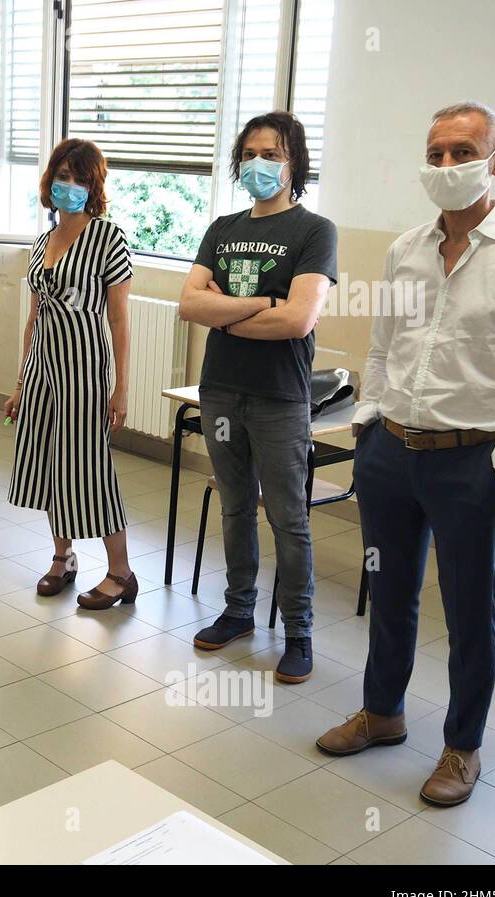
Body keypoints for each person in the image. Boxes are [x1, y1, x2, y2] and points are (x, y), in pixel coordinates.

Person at [316, 102, 495, 806]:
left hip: (471, 462)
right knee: (389, 593)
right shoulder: (406, 249)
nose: (447, 165)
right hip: (392, 450)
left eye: (463, 151)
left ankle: (462, 749)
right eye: (436, 153)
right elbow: (384, 343)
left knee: (467, 612)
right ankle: (384, 712)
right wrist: (368, 418)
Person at [178, 112, 337, 683]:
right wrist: (265, 306)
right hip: (220, 392)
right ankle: (239, 610)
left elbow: (299, 321)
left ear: (294, 162)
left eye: (271, 154)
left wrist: (232, 313)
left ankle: (298, 631)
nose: (258, 164)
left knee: (290, 520)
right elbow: (189, 304)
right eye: (249, 153)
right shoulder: (222, 227)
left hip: (279, 398)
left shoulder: (315, 231)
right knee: (235, 506)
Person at [5, 138, 135, 610]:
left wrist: (121, 388)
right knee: (48, 463)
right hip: (43, 368)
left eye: (80, 179)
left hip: (84, 370)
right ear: (50, 181)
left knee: (88, 469)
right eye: (63, 176)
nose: (69, 186)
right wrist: (21, 382)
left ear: (93, 186)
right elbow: (33, 317)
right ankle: (62, 558)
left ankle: (121, 572)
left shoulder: (108, 238)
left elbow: (119, 321)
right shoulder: (42, 242)